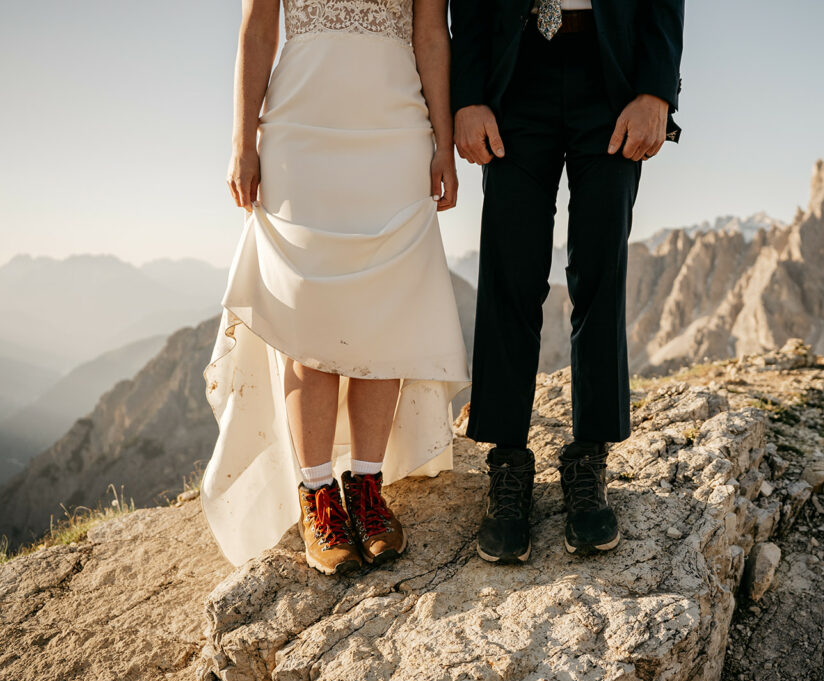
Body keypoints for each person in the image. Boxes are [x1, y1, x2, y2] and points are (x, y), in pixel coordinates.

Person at [201, 0, 470, 575]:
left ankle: (368, 488)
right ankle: (317, 493)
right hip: (300, 132)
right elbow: (257, 29)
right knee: (308, 311)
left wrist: (442, 141)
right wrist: (242, 142)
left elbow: (431, 33)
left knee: (387, 309)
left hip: (396, 128)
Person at [450, 0, 685, 563]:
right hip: (514, 71)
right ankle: (507, 466)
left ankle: (589, 459)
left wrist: (656, 90)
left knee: (600, 272)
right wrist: (468, 96)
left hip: (612, 75)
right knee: (509, 272)